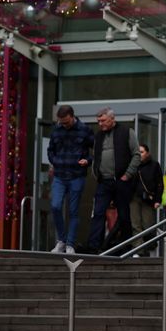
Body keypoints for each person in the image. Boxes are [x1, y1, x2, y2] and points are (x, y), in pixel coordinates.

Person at [87, 107, 140, 254]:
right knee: (98, 213)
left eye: (103, 120)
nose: (100, 124)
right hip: (104, 181)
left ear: (112, 118)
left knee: (123, 214)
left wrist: (127, 175)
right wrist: (95, 173)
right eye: (98, 121)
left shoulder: (127, 132)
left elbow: (136, 155)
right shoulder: (98, 136)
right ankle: (94, 246)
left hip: (121, 180)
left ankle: (126, 246)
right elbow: (96, 156)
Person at [46, 106, 94, 255]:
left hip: (76, 175)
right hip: (60, 175)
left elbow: (96, 150)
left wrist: (87, 160)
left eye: (66, 122)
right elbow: (50, 149)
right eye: (61, 122)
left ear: (72, 117)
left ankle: (70, 243)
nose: (64, 125)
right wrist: (55, 161)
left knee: (73, 211)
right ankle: (62, 240)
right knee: (55, 206)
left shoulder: (85, 130)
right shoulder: (56, 129)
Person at [129, 144, 163, 257]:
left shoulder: (154, 165)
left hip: (148, 199)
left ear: (147, 153)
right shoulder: (132, 164)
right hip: (133, 197)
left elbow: (159, 184)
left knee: (148, 224)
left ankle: (150, 246)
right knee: (135, 224)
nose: (139, 154)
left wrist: (158, 199)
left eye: (142, 152)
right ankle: (138, 250)